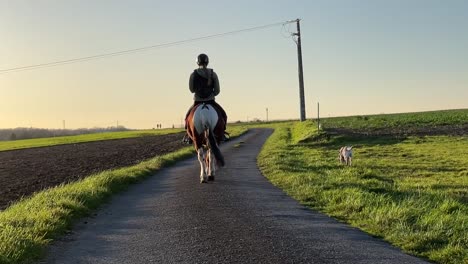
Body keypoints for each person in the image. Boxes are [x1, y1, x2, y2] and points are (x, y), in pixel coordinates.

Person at [183, 53, 228, 144]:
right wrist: (212, 94)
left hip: (198, 101)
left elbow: (191, 90)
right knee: (223, 115)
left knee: (187, 117)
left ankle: (189, 136)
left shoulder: (193, 75)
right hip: (211, 101)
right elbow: (217, 91)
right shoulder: (213, 74)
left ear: (197, 62)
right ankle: (222, 134)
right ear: (207, 62)